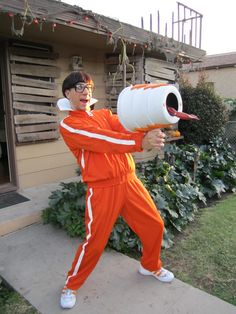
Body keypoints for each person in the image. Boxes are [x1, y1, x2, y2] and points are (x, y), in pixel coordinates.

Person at [59, 71, 174, 309]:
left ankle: (150, 265)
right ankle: (71, 285)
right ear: (67, 93)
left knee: (155, 225)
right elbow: (103, 139)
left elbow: (123, 127)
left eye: (89, 87)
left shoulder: (103, 114)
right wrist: (140, 142)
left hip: (129, 181)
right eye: (79, 87)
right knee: (95, 242)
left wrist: (148, 130)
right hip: (102, 189)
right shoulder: (69, 125)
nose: (86, 91)